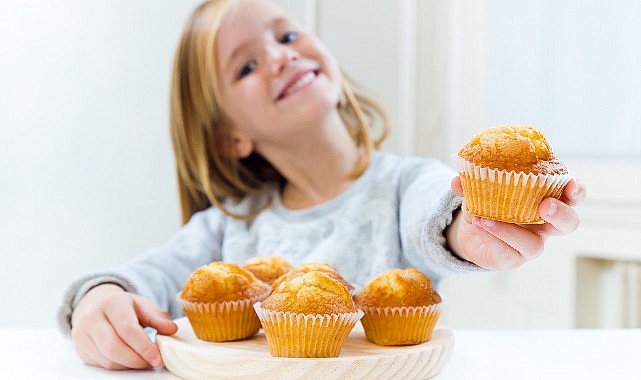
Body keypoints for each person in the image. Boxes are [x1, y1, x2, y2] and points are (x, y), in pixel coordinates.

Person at [58, 0, 586, 371]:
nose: (281, 56)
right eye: (247, 65)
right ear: (230, 138)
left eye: (286, 36)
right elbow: (149, 276)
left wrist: (473, 229)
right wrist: (99, 298)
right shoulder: (226, 227)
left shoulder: (404, 184)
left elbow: (438, 213)